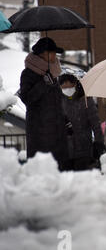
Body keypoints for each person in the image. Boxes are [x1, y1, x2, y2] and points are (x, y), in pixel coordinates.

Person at [19, 37, 69, 170]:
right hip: (40, 132)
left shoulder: (53, 74)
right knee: (43, 172)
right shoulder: (28, 74)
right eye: (51, 53)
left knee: (60, 170)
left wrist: (65, 119)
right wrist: (43, 83)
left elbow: (58, 100)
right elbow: (26, 98)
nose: (54, 56)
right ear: (42, 53)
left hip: (58, 131)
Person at [59, 73, 105, 170]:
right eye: (64, 87)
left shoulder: (85, 100)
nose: (67, 90)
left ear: (75, 85)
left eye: (70, 86)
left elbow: (95, 123)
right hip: (64, 150)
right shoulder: (58, 101)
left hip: (84, 148)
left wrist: (99, 142)